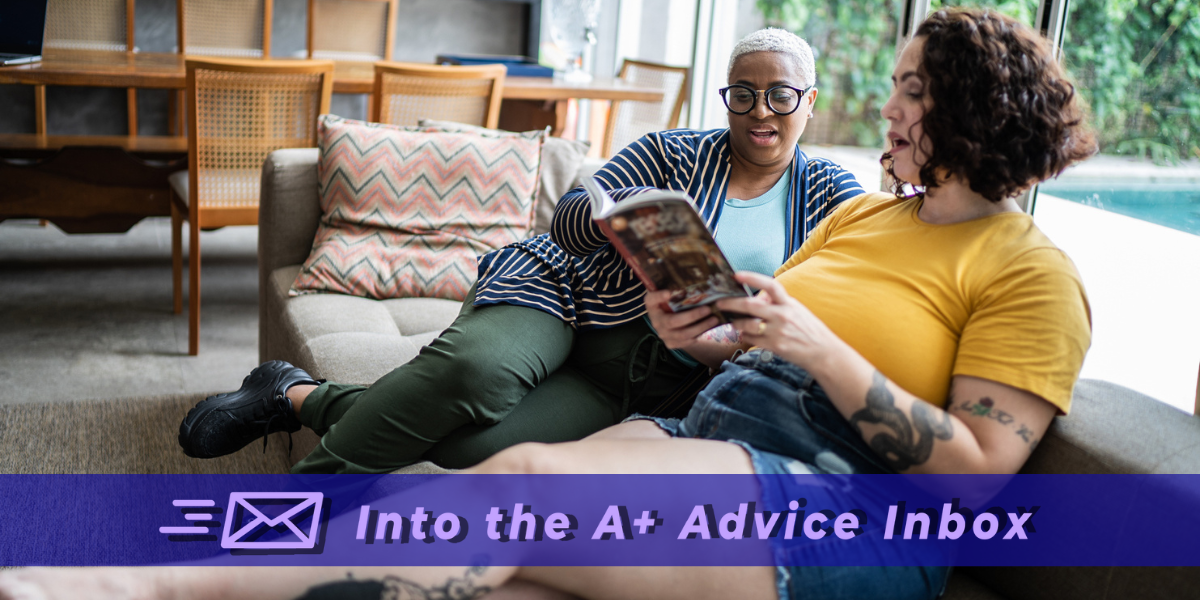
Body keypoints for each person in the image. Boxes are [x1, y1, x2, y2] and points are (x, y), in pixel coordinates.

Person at [0, 8, 1097, 600]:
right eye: (898, 88)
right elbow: (602, 223)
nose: (888, 108)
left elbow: (975, 476)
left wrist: (803, 342)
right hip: (677, 393)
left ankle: (127, 578)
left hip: (844, 502)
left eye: (907, 91)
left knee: (516, 483)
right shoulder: (860, 217)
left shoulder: (1025, 269)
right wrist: (704, 327)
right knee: (481, 528)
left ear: (966, 109)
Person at [177, 28, 863, 474]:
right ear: (728, 98)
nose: (760, 111)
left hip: (650, 374)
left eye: (779, 94)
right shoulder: (671, 150)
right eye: (743, 94)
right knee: (473, 375)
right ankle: (284, 518)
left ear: (807, 99)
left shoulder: (832, 193)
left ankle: (295, 395)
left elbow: (832, 303)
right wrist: (616, 227)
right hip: (566, 297)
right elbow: (569, 215)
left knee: (466, 446)